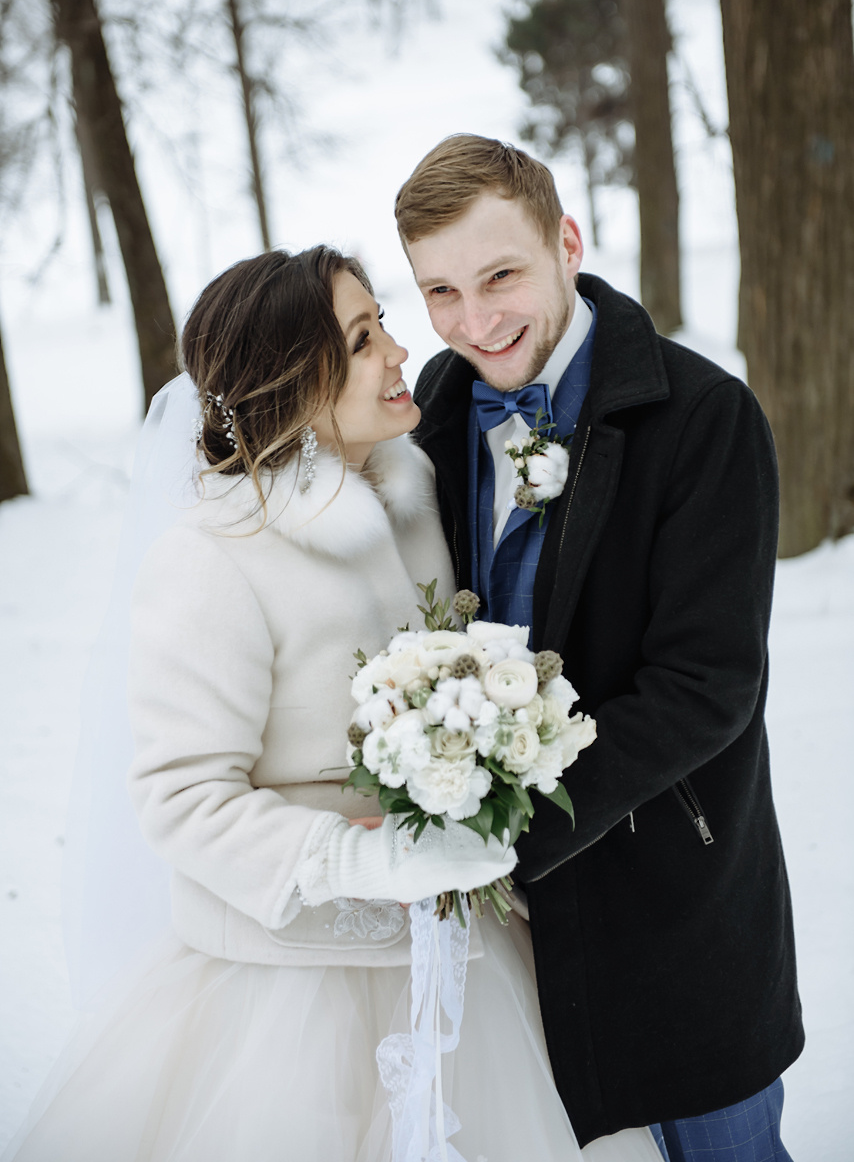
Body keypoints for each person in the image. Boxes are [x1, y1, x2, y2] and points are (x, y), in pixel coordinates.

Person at [3, 246, 661, 1162]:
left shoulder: (413, 491)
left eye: (381, 319)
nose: (400, 351)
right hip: (285, 997)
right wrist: (364, 861)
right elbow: (182, 797)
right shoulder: (215, 556)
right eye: (361, 340)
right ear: (290, 382)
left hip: (469, 962)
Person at [395, 134, 804, 1160]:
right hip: (503, 933)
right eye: (439, 291)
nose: (473, 322)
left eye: (499, 275)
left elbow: (704, 686)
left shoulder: (703, 418)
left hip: (672, 891)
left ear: (566, 241)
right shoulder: (428, 424)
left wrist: (511, 828)